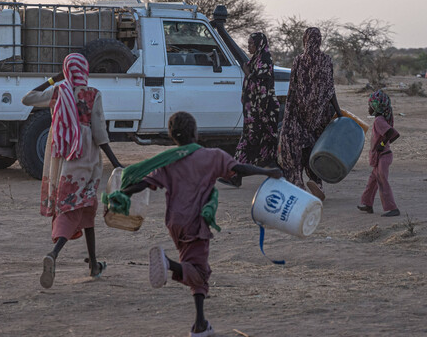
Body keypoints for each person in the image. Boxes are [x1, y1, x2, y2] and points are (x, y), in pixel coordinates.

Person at [120, 112, 282, 337]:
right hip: (196, 223)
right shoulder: (213, 156)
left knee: (196, 269)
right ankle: (168, 264)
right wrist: (267, 172)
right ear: (195, 133)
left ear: (172, 136)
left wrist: (121, 195)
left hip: (175, 223)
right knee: (199, 272)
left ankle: (200, 324)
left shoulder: (169, 161)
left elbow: (145, 183)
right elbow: (240, 169)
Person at [21, 53, 122, 288]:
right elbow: (100, 133)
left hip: (64, 158)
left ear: (66, 71)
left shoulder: (59, 91)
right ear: (85, 70)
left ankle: (93, 264)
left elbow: (27, 98)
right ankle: (54, 253)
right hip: (86, 159)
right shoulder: (93, 94)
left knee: (81, 207)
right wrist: (116, 162)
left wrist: (53, 80)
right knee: (78, 207)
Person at [278, 27, 342, 201]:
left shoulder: (299, 60)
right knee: (315, 149)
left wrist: (289, 114)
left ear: (305, 40)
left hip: (298, 113)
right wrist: (338, 112)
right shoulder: (326, 60)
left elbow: (293, 87)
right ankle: (317, 183)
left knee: (295, 148)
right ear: (319, 40)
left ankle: (297, 182)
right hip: (319, 115)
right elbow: (330, 90)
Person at [226, 32, 280, 187]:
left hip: (264, 111)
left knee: (261, 142)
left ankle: (279, 176)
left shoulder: (265, 60)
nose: (248, 46)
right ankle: (236, 175)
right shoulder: (256, 59)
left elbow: (262, 86)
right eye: (248, 43)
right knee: (249, 141)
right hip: (254, 112)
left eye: (251, 43)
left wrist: (248, 74)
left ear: (259, 44)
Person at [358, 90, 400, 217]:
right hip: (380, 156)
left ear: (376, 106)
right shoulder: (380, 119)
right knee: (372, 181)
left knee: (382, 181)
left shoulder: (379, 120)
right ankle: (367, 204)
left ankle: (392, 208)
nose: (368, 108)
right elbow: (392, 134)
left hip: (383, 156)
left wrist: (382, 144)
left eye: (370, 105)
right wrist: (382, 144)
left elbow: (391, 133)